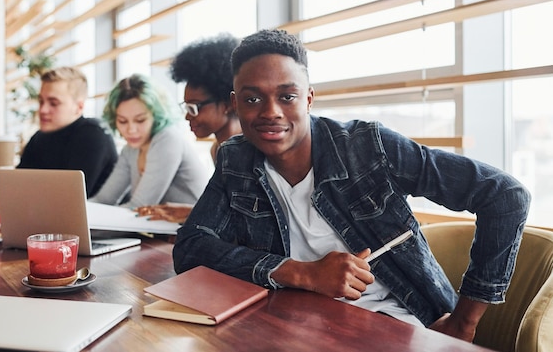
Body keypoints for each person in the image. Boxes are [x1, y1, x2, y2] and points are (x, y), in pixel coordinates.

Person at [173, 29, 530, 342]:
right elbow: (190, 249)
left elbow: (504, 195)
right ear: (236, 104)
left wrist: (464, 324)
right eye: (253, 99)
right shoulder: (236, 160)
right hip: (291, 325)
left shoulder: (368, 147)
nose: (271, 112)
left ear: (309, 98)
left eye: (287, 97)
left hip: (397, 325)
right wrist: (304, 273)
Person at [137, 33, 243, 223]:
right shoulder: (218, 149)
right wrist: (189, 212)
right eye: (186, 108)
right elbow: (231, 212)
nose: (187, 116)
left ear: (228, 103)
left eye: (194, 107)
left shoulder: (250, 150)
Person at [0, 67, 118, 206]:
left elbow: (67, 204)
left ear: (79, 107)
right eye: (41, 101)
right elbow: (6, 201)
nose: (42, 110)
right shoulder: (39, 138)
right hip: (53, 228)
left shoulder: (93, 135)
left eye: (53, 103)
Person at [89, 74, 209, 209]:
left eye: (140, 120)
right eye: (122, 121)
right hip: (158, 228)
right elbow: (103, 199)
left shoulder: (168, 139)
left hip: (193, 228)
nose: (131, 130)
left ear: (156, 116)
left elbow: (140, 206)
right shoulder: (130, 150)